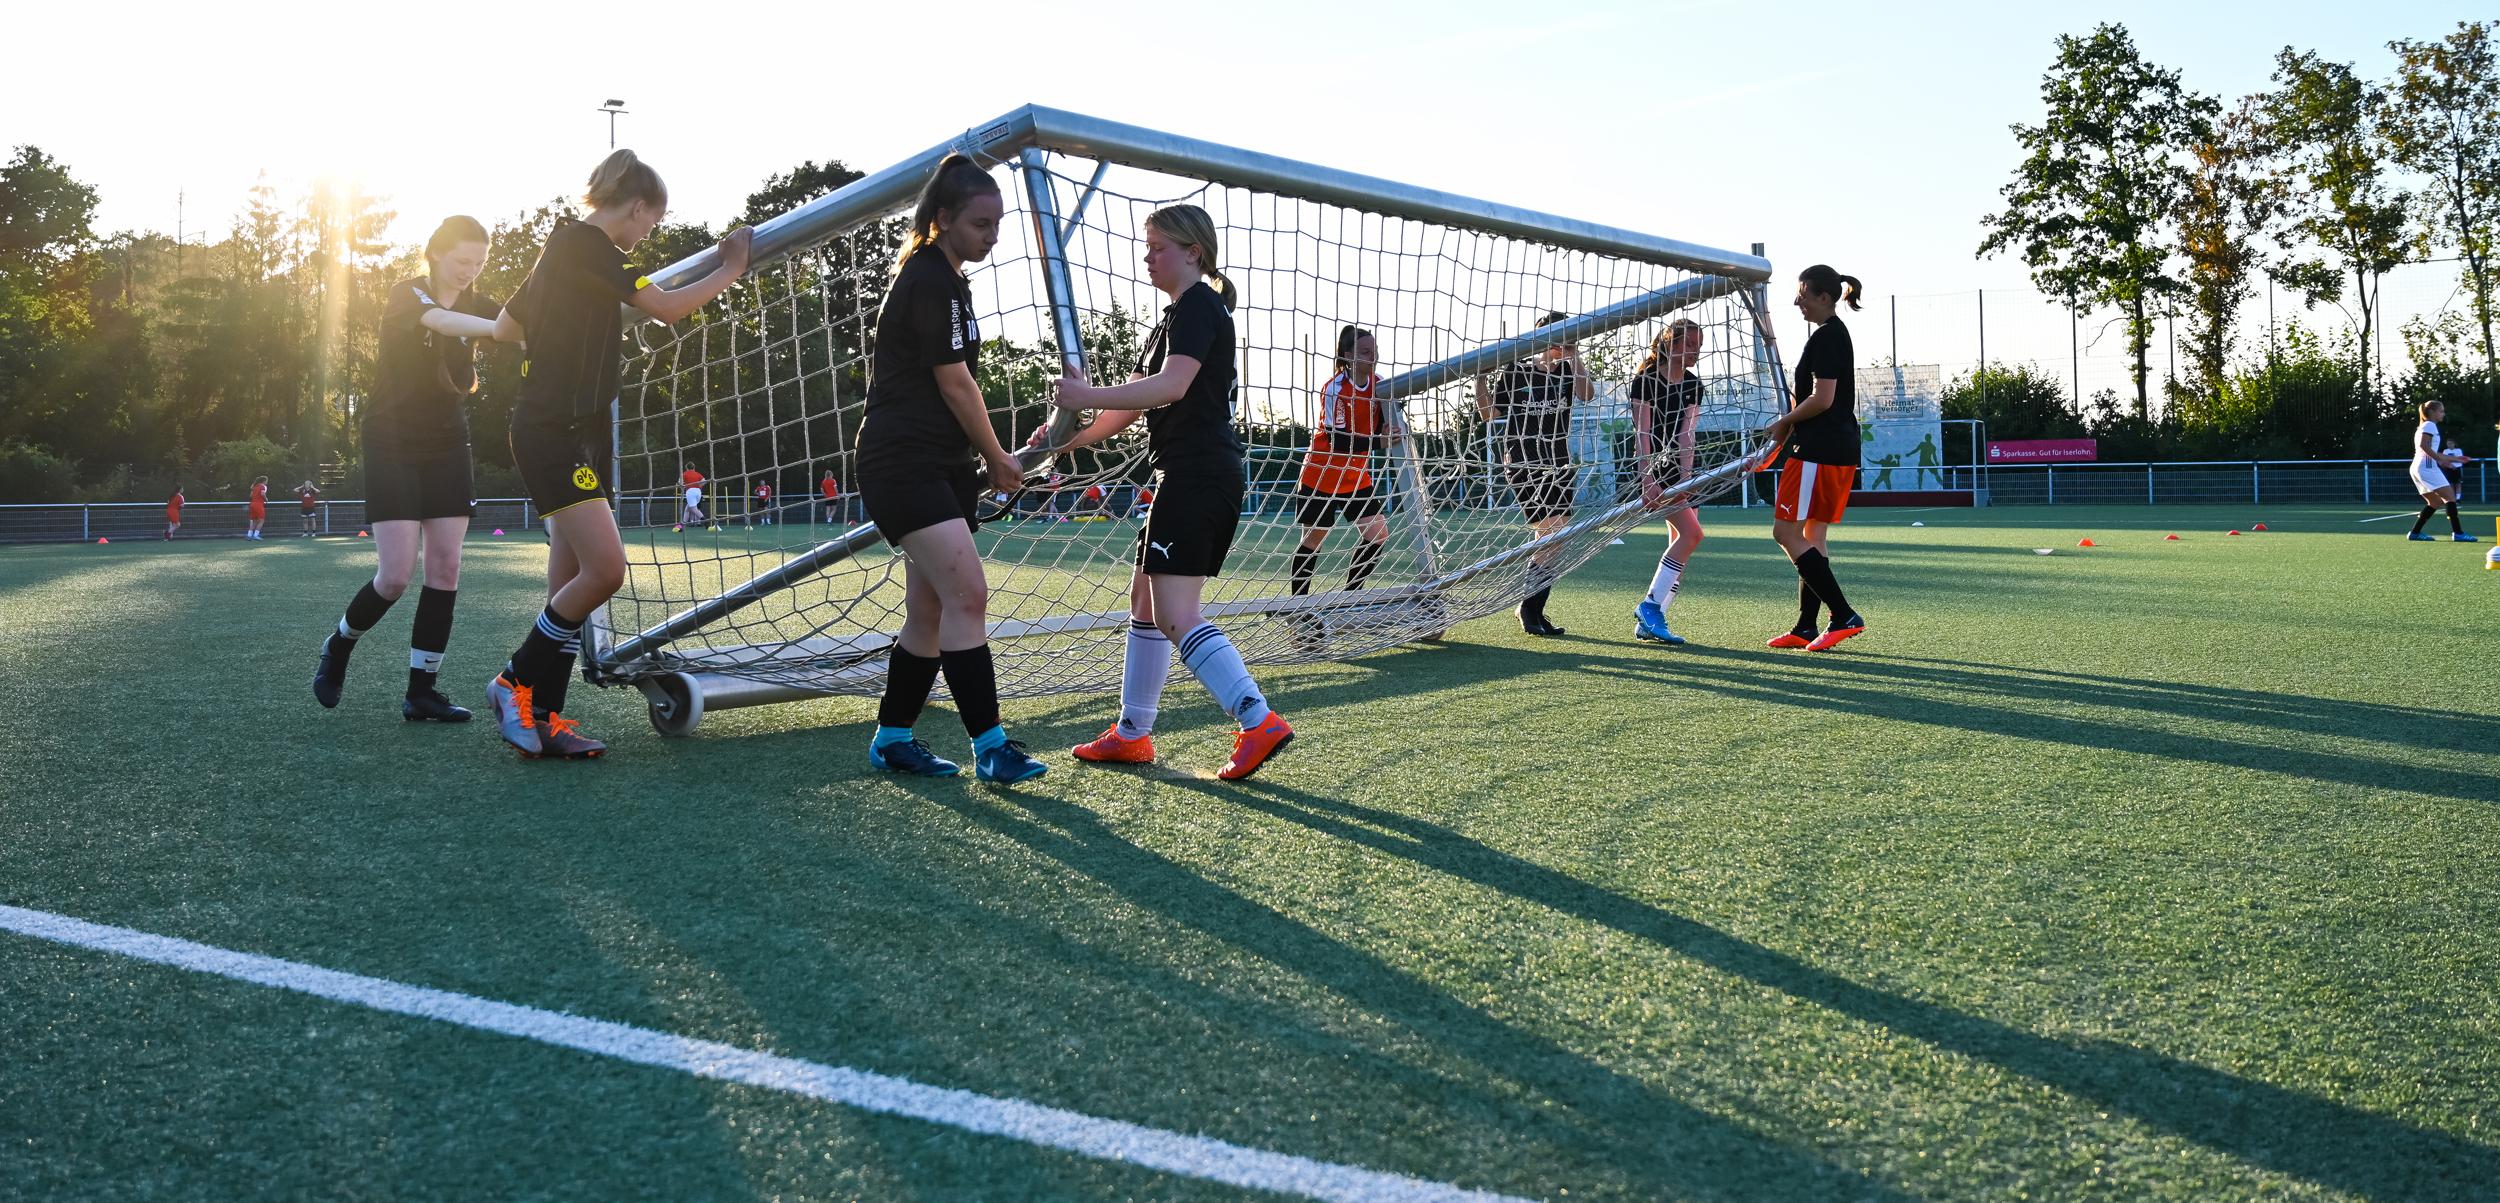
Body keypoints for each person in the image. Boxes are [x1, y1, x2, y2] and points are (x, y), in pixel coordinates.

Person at [483, 149, 752, 758]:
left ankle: (544, 718)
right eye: (650, 224)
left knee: (569, 576)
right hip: (555, 431)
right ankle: (512, 682)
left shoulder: (560, 252)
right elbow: (668, 307)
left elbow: (504, 327)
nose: (647, 235)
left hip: (564, 428)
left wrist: (574, 325)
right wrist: (730, 265)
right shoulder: (591, 249)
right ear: (636, 208)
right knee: (606, 571)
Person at [1049, 204, 1294, 780]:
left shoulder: (1200, 307)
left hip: (1197, 475)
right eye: (1147, 247)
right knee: (1145, 601)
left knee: (1175, 613)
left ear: (1194, 252)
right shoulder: (1173, 317)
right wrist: (1066, 438)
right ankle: (1132, 735)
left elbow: (1172, 386)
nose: (1147, 257)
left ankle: (1256, 718)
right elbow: (1138, 401)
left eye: (1158, 246)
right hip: (1183, 476)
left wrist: (1086, 395)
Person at [852, 153, 1045, 782]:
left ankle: (893, 738)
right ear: (942, 219)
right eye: (980, 224)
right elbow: (956, 382)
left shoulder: (945, 276)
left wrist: (980, 461)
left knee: (932, 611)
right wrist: (998, 458)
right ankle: (991, 747)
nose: (992, 236)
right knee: (969, 594)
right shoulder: (929, 277)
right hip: (903, 463)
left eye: (998, 224)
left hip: (937, 463)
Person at [312, 215, 506, 721]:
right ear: (436, 254)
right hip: (391, 441)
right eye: (463, 260)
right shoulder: (407, 294)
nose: (471, 271)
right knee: (395, 577)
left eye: (480, 263)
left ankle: (422, 691)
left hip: (447, 442)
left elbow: (530, 319)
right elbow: (444, 323)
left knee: (445, 568)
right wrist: (502, 329)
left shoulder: (479, 304)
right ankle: (340, 643)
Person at [1762, 264, 1868, 651]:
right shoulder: (1834, 335)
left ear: (1825, 297)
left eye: (1803, 294)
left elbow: (1822, 399)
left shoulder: (1827, 337)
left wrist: (1783, 423)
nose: (1797, 301)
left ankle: (1843, 614)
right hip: (1837, 449)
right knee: (1812, 536)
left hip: (1819, 451)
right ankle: (1807, 625)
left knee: (1785, 532)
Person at [1474, 311, 1591, 635]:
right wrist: (1480, 379)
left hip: (1559, 463)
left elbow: (1587, 394)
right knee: (1551, 533)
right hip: (1524, 462)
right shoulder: (1516, 371)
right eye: (1561, 335)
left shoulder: (1569, 371)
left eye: (1571, 335)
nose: (1567, 341)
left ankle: (1531, 607)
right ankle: (1529, 610)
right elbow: (1488, 413)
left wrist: (1575, 357)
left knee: (1554, 539)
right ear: (1542, 338)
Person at [1290, 325, 1392, 602]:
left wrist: (1387, 429)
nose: (1373, 357)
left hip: (1355, 476)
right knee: (1313, 541)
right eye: (1365, 352)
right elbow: (1339, 441)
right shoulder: (1334, 388)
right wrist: (1378, 443)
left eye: (1375, 351)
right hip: (1321, 474)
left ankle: (1350, 597)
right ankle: (1298, 603)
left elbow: (1382, 423)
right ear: (1348, 355)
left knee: (1378, 534)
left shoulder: (1380, 383)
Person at [1627, 318, 1705, 645]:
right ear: (1669, 344)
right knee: (1692, 534)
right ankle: (1650, 607)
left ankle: (1652, 618)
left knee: (1682, 545)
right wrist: (1647, 480)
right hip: (1652, 469)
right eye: (1688, 345)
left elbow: (1687, 435)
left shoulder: (1693, 385)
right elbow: (1642, 434)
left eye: (1699, 346)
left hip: (1680, 471)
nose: (1695, 352)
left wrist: (1686, 479)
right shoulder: (1644, 381)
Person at [2407, 400, 2476, 542]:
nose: (2443, 414)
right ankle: (2458, 533)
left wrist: (2456, 459)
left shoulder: (2424, 426)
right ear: (2432, 412)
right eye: (2441, 411)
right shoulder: (2430, 425)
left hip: (2417, 468)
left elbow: (2429, 450)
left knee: (2435, 502)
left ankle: (2414, 533)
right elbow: (2424, 446)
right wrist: (2441, 460)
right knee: (2450, 497)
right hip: (2426, 468)